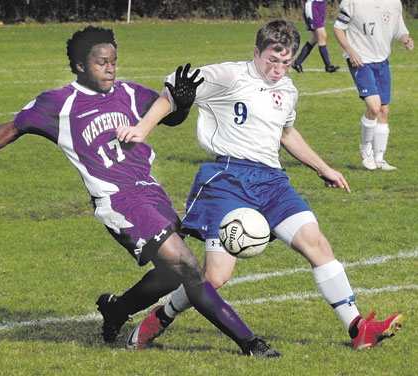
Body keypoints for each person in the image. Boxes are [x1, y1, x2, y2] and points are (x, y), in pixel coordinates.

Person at [0, 26, 281, 358]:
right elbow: (11, 128)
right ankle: (250, 343)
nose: (110, 69)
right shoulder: (58, 104)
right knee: (189, 267)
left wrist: (184, 104)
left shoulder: (129, 93)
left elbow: (169, 117)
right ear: (80, 65)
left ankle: (117, 308)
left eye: (114, 61)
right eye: (102, 63)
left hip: (151, 192)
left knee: (171, 273)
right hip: (119, 200)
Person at [116, 19, 404, 351]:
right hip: (227, 180)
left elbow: (286, 134)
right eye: (272, 59)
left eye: (285, 61)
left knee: (318, 244)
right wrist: (141, 129)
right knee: (215, 277)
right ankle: (159, 318)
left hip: (272, 182)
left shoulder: (288, 89)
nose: (279, 68)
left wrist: (323, 168)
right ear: (257, 51)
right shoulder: (230, 76)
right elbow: (174, 91)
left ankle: (358, 329)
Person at [333, 0, 414, 170]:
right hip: (361, 60)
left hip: (382, 61)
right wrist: (351, 51)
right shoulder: (352, 3)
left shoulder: (394, 3)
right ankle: (366, 147)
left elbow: (400, 29)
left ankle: (380, 159)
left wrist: (406, 39)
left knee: (384, 110)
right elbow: (338, 28)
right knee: (374, 107)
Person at [292, 0, 339, 73]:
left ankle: (297, 63)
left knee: (314, 39)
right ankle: (328, 66)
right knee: (322, 35)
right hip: (313, 6)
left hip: (319, 6)